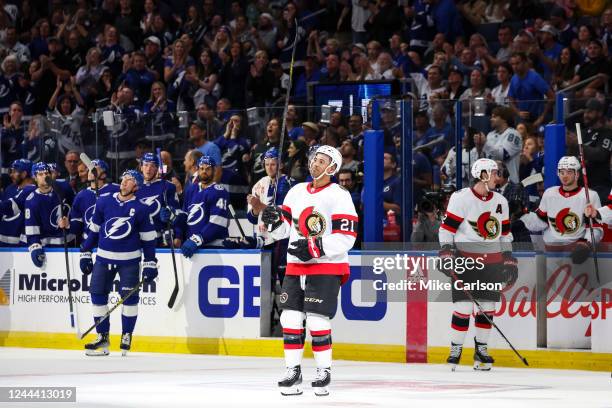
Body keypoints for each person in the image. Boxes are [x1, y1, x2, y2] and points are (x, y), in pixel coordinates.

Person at [262, 145, 358, 396]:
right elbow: (282, 230)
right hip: (295, 265)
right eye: (314, 158)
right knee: (289, 318)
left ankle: (323, 371)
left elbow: (346, 237)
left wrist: (315, 248)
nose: (315, 162)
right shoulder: (295, 192)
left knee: (316, 319)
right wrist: (271, 222)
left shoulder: (339, 195)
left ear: (333, 168)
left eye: (322, 160)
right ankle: (293, 371)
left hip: (326, 266)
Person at [438, 158, 516, 371]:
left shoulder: (501, 200)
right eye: (493, 173)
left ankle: (481, 351)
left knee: (487, 308)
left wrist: (508, 258)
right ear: (483, 175)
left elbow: (505, 234)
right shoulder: (461, 198)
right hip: (465, 260)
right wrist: (446, 251)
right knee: (463, 307)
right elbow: (447, 229)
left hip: (491, 262)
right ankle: (456, 349)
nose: (497, 177)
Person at [79, 170, 158, 356]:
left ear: (136, 186)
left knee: (129, 299)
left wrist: (150, 263)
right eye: (123, 179)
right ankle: (102, 337)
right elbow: (94, 231)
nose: (124, 182)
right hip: (103, 258)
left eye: (129, 180)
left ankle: (126, 335)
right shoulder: (104, 201)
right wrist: (85, 252)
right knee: (97, 295)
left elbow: (148, 240)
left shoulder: (141, 208)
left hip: (129, 261)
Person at [519, 156, 603, 259]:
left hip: (576, 252)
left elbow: (596, 228)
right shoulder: (550, 193)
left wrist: (585, 244)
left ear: (577, 174)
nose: (565, 176)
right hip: (549, 252)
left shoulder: (590, 196)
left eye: (569, 172)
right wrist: (522, 213)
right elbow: (540, 222)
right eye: (562, 172)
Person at [175, 156, 230, 256]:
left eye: (208, 169)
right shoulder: (191, 190)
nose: (204, 171)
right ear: (198, 169)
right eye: (202, 168)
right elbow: (184, 216)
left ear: (214, 170)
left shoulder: (219, 191)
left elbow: (217, 223)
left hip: (213, 248)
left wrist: (197, 239)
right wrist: (178, 235)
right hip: (190, 246)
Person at [25, 163, 73, 268]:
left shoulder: (63, 188)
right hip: (48, 248)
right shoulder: (32, 201)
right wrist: (35, 247)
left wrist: (70, 222)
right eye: (40, 174)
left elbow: (76, 210)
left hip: (69, 244)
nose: (44, 177)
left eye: (46, 173)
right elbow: (32, 231)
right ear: (35, 178)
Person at [69, 159, 119, 244]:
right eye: (89, 168)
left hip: (111, 241)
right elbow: (77, 225)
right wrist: (68, 225)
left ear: (103, 175)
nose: (90, 170)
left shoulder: (116, 190)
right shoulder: (81, 195)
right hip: (88, 243)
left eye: (94, 168)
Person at [136, 153, 180, 247]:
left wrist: (178, 236)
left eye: (152, 166)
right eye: (146, 165)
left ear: (157, 168)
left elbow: (178, 214)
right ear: (141, 167)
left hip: (159, 240)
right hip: (136, 239)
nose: (148, 169)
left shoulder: (167, 186)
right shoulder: (133, 186)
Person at [482, 106, 522, 184]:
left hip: (509, 183)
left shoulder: (513, 134)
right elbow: (485, 158)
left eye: (494, 117)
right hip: (492, 183)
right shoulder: (490, 135)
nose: (491, 119)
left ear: (504, 119)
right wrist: (479, 147)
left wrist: (485, 144)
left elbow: (503, 155)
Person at [0, 159, 35, 246]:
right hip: (2, 242)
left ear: (24, 174)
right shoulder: (10, 188)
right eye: (10, 172)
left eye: (14, 171)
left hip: (19, 245)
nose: (11, 175)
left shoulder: (32, 191)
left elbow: (9, 207)